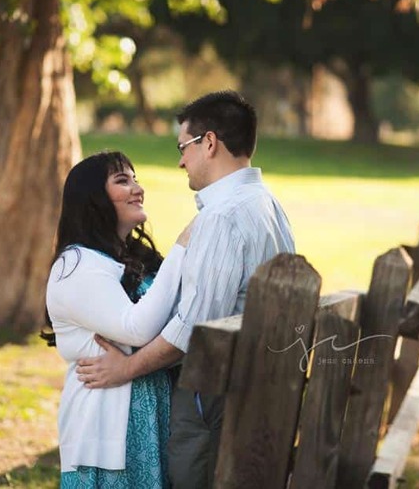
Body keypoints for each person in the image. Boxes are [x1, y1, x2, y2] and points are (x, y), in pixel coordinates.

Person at [75, 90, 296, 489]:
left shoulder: (222, 217)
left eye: (183, 147)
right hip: (264, 386)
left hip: (216, 398)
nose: (180, 161)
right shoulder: (268, 204)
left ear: (208, 143)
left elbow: (193, 330)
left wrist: (125, 368)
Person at [42, 151, 192, 488]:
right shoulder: (78, 265)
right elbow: (136, 328)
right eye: (122, 180)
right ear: (94, 199)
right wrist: (182, 249)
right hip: (106, 425)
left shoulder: (132, 258)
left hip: (152, 416)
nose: (137, 188)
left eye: (135, 178)